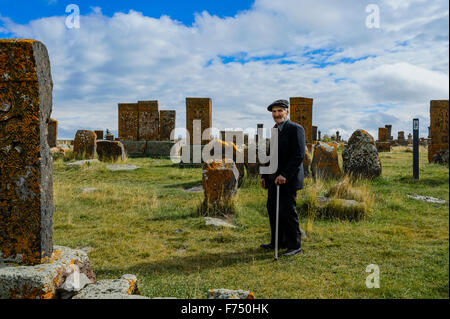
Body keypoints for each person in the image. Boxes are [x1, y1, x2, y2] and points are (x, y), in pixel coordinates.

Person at [260, 99, 305, 256]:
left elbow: (299, 154)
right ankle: (277, 242)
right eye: (274, 112)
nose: (276, 114)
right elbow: (269, 154)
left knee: (287, 211)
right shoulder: (274, 129)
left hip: (288, 178)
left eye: (280, 111)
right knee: (272, 209)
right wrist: (264, 175)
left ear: (287, 112)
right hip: (273, 178)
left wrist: (285, 174)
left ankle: (294, 245)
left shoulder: (296, 129)